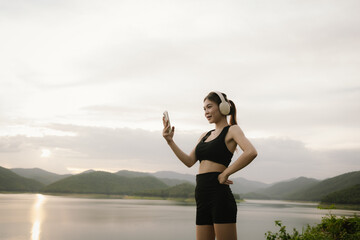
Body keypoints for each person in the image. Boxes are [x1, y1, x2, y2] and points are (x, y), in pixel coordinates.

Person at [162, 91, 258, 240]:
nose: (206, 112)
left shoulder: (232, 130)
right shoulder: (205, 135)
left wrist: (226, 173)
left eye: (209, 107)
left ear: (223, 107)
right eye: (204, 109)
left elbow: (251, 152)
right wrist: (170, 141)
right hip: (201, 194)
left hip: (219, 194)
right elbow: (189, 161)